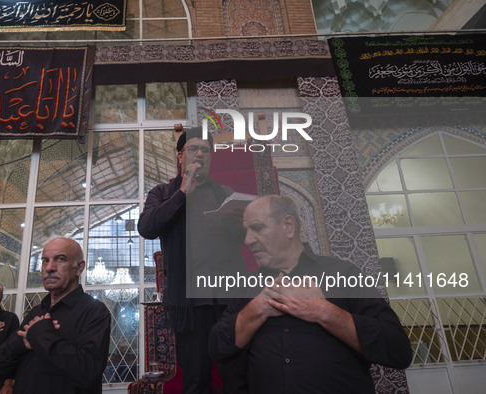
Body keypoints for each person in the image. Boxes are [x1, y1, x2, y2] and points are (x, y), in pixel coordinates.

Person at [209, 195, 413, 393]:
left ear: (288, 226)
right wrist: (256, 309)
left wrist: (324, 312)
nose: (247, 240)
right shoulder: (246, 286)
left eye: (257, 228)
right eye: (246, 231)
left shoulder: (343, 273)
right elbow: (218, 348)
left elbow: (398, 350)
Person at [138, 127, 248, 393]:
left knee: (237, 378)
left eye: (206, 150)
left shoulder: (225, 193)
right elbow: (147, 227)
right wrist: (183, 191)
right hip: (189, 305)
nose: (200, 154)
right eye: (194, 149)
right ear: (180, 156)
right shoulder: (163, 193)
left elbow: (248, 238)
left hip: (229, 300)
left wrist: (242, 223)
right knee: (196, 381)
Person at [0, 237, 111, 394]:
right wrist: (20, 343)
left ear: (79, 267)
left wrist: (41, 335)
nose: (49, 268)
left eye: (60, 259)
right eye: (44, 261)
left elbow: (88, 373)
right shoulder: (36, 312)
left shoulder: (95, 312)